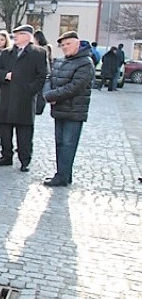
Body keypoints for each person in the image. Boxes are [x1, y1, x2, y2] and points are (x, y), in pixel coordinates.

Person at [0, 24, 47, 172]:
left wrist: (31, 90)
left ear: (28, 36)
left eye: (20, 34)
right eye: (15, 34)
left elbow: (42, 76)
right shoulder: (6, 53)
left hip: (25, 98)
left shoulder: (38, 53)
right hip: (7, 97)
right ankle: (6, 156)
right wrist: (5, 76)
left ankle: (24, 159)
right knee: (5, 130)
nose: (16, 36)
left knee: (24, 132)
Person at [42, 32, 94, 187]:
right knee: (60, 143)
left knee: (68, 144)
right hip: (59, 109)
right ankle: (64, 174)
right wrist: (48, 94)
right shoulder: (60, 61)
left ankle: (62, 176)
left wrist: (51, 96)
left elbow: (75, 87)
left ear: (78, 44)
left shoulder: (85, 63)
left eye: (68, 44)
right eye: (62, 45)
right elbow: (49, 78)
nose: (65, 47)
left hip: (74, 111)